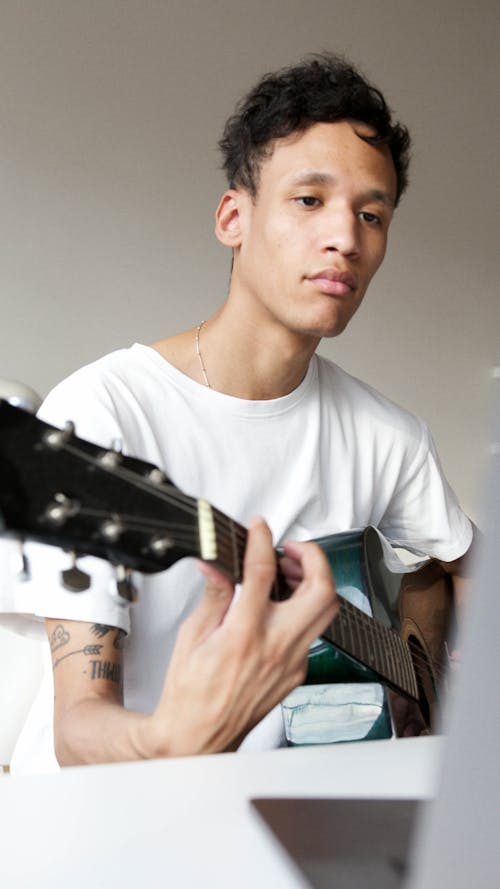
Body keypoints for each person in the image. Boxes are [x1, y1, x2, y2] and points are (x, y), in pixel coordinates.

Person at [3, 53, 474, 773]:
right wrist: (170, 740)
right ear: (234, 217)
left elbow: (464, 568)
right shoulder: (105, 413)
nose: (345, 237)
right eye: (309, 200)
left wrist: (434, 683)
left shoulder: (391, 439)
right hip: (88, 823)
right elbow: (80, 732)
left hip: (272, 819)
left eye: (371, 214)